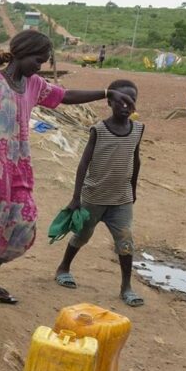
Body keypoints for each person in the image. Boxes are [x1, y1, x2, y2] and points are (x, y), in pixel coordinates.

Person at [0, 30, 137, 304]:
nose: (40, 66)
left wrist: (106, 92)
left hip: (17, 167)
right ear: (20, 53)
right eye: (38, 59)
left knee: (22, 223)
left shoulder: (32, 84)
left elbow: (65, 96)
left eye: (44, 61)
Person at [55, 79, 145, 306]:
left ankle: (126, 286)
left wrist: (132, 190)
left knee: (126, 241)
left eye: (131, 101)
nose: (126, 106)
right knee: (82, 235)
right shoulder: (99, 129)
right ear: (109, 102)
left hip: (121, 198)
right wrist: (76, 198)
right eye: (121, 101)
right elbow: (83, 164)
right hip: (94, 197)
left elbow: (136, 159)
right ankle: (63, 268)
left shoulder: (138, 129)